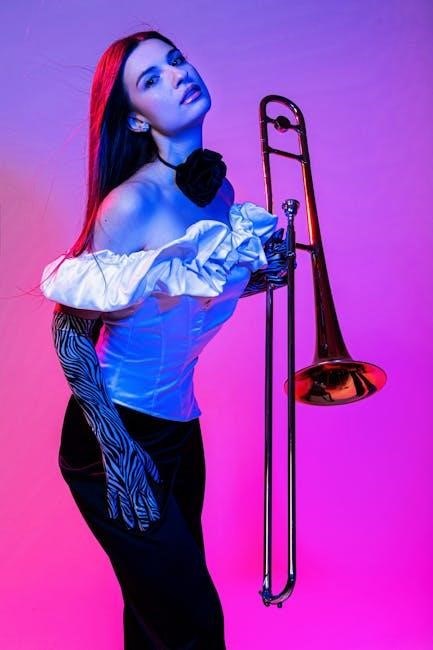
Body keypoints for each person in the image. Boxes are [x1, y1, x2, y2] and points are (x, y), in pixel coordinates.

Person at [40, 29, 288, 650]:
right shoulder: (130, 206)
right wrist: (118, 450)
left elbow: (179, 298)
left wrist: (260, 276)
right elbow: (69, 331)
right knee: (190, 623)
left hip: (180, 428)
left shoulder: (220, 195)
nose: (178, 75)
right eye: (152, 79)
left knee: (158, 618)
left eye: (176, 61)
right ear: (136, 118)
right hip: (111, 433)